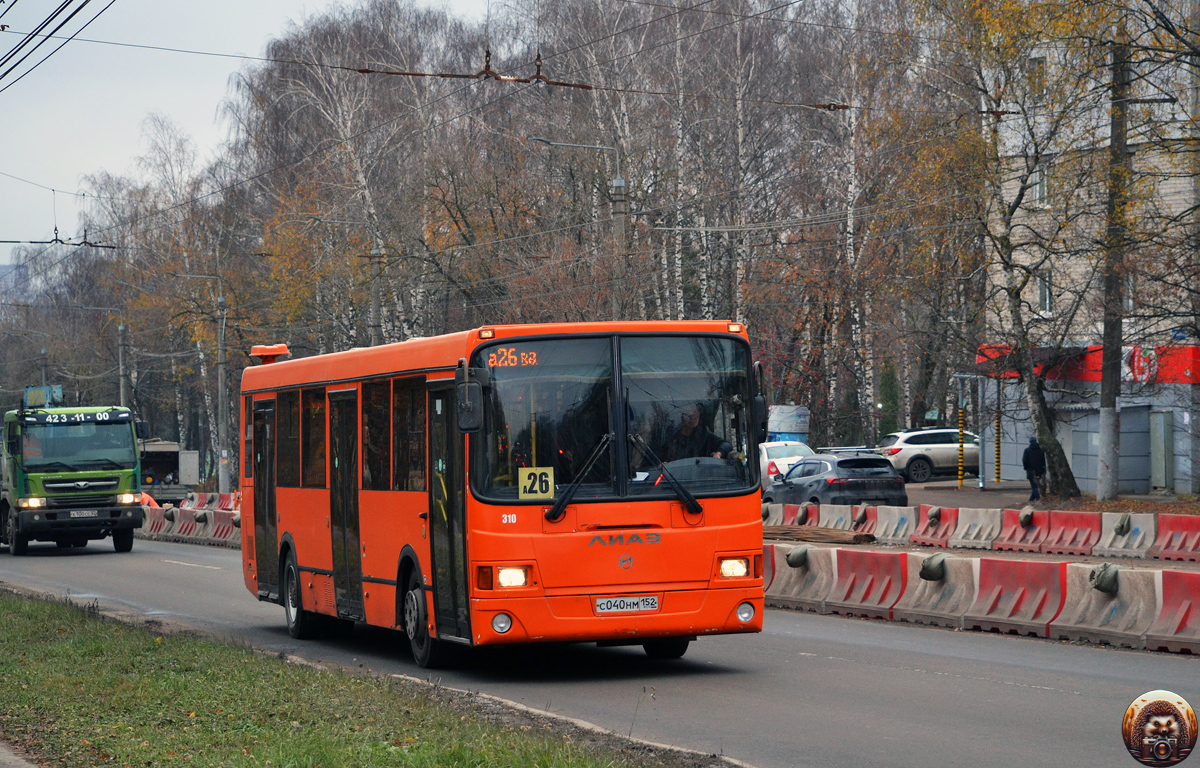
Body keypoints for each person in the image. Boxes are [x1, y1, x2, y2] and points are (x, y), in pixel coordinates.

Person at [663, 403, 731, 462]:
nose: (692, 418)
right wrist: (663, 464)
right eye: (689, 414)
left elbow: (727, 445)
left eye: (695, 413)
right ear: (681, 416)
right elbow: (658, 457)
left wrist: (719, 453)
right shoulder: (670, 437)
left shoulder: (704, 435)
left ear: (699, 415)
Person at [1022, 436, 1046, 501]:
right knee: (1036, 485)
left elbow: (1024, 461)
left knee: (1034, 486)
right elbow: (1043, 461)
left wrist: (1026, 468)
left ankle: (1038, 499)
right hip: (1039, 471)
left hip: (1031, 471)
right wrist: (1043, 470)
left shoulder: (1027, 450)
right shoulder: (1041, 450)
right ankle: (1031, 500)